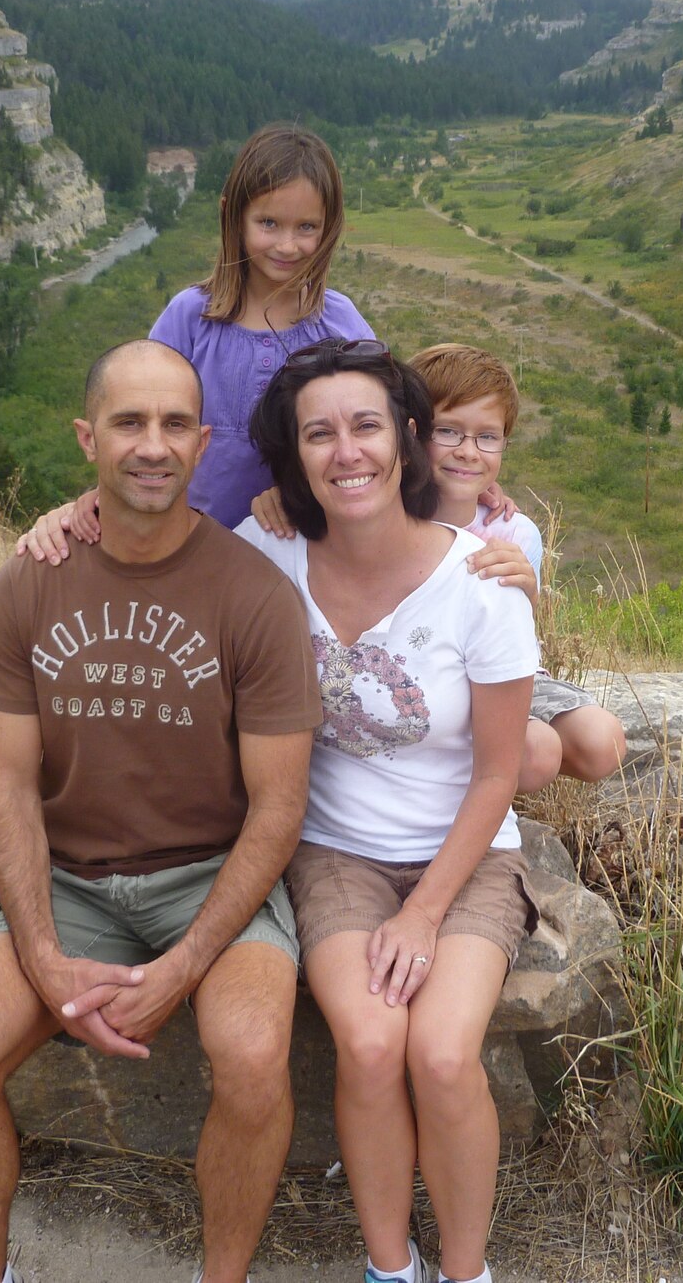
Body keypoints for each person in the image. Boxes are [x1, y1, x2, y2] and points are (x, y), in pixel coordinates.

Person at [0, 339, 321, 1283]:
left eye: (176, 423)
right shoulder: (30, 580)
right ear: (87, 437)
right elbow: (7, 784)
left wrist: (183, 966)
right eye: (130, 422)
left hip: (209, 877)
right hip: (71, 882)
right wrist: (43, 953)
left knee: (255, 1056)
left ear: (204, 441)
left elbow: (279, 806)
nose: (153, 445)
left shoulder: (253, 595)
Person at [237, 338, 537, 1283]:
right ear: (295, 456)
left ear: (406, 438)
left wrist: (423, 911)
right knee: (370, 1045)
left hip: (470, 850)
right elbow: (154, 545)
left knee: (445, 1056)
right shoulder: (268, 555)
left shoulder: (482, 581)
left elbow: (497, 774)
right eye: (317, 434)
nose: (346, 451)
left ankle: (465, 1271)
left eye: (366, 425)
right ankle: (387, 1266)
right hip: (334, 850)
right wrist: (69, 515)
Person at [11, 121, 512, 560]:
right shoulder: (190, 317)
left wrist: (458, 478)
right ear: (234, 216)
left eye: (306, 227)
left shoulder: (339, 325)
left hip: (301, 549)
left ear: (329, 227)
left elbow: (381, 428)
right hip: (186, 547)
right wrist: (95, 498)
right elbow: (138, 422)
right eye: (268, 223)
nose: (287, 245)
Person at [252, 342, 627, 793]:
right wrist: (283, 496)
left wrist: (525, 590)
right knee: (536, 752)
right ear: (413, 434)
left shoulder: (514, 530)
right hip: (415, 673)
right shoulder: (379, 507)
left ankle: (483, 774)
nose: (468, 452)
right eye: (448, 432)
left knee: (601, 743)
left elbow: (521, 633)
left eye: (487, 437)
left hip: (497, 679)